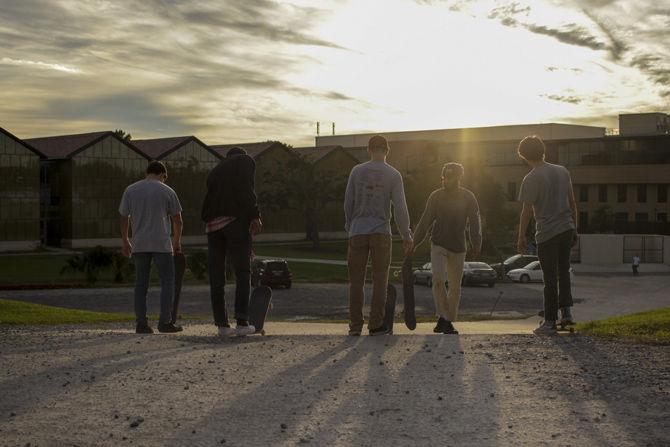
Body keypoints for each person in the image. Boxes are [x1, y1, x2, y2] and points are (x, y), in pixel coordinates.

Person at [344, 135, 413, 336]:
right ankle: (375, 325)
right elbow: (400, 207)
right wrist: (406, 234)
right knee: (380, 279)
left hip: (358, 230)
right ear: (387, 151)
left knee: (356, 281)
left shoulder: (357, 171)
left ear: (369, 150)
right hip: (381, 231)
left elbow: (348, 201)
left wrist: (350, 225)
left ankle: (355, 326)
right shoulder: (393, 175)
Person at [516, 135, 578, 335]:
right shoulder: (562, 171)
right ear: (543, 150)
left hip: (547, 233)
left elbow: (526, 211)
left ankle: (550, 321)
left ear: (523, 156)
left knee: (550, 278)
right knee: (564, 271)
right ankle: (566, 314)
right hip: (566, 227)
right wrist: (575, 227)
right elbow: (572, 202)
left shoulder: (531, 178)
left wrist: (521, 236)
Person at [413, 162, 482, 335]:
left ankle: (446, 320)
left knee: (455, 287)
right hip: (438, 244)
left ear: (458, 178)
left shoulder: (468, 197)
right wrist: (414, 242)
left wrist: (477, 243)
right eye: (444, 177)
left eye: (450, 178)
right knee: (437, 280)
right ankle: (444, 316)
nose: (446, 181)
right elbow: (425, 220)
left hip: (458, 247)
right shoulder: (436, 196)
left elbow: (475, 222)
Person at [201, 147, 263, 337]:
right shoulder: (245, 161)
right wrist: (255, 215)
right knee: (243, 271)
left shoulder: (215, 170)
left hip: (212, 226)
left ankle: (222, 325)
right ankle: (242, 321)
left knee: (217, 276)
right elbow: (246, 187)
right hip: (235, 222)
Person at [119, 160, 184, 334]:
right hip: (162, 243)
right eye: (165, 178)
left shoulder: (131, 189)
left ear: (147, 172)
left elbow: (124, 216)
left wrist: (125, 239)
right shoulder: (167, 191)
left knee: (141, 284)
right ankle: (165, 322)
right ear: (163, 174)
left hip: (140, 243)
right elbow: (178, 220)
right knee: (167, 281)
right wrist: (176, 242)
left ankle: (141, 324)